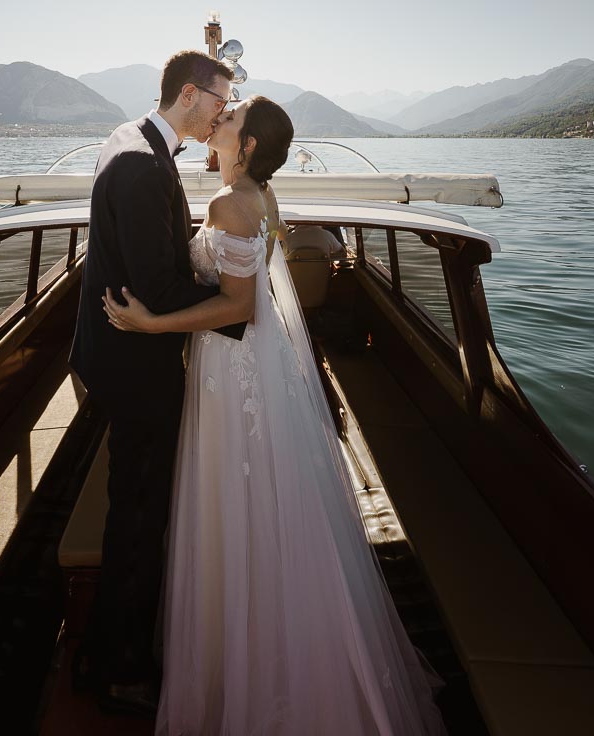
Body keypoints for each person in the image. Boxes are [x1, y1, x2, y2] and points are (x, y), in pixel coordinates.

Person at [105, 96, 447, 736]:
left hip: (230, 369)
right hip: (254, 370)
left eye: (228, 121)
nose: (216, 125)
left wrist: (152, 323)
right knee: (265, 501)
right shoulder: (263, 197)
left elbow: (240, 307)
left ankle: (242, 668)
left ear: (249, 144)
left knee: (235, 501)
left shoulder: (229, 203)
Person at [70, 49, 247, 716]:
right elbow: (158, 289)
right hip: (134, 370)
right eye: (220, 102)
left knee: (134, 505)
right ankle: (119, 664)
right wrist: (239, 311)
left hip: (111, 356)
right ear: (191, 96)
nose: (223, 113)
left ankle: (110, 646)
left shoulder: (129, 138)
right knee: (140, 514)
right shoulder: (145, 168)